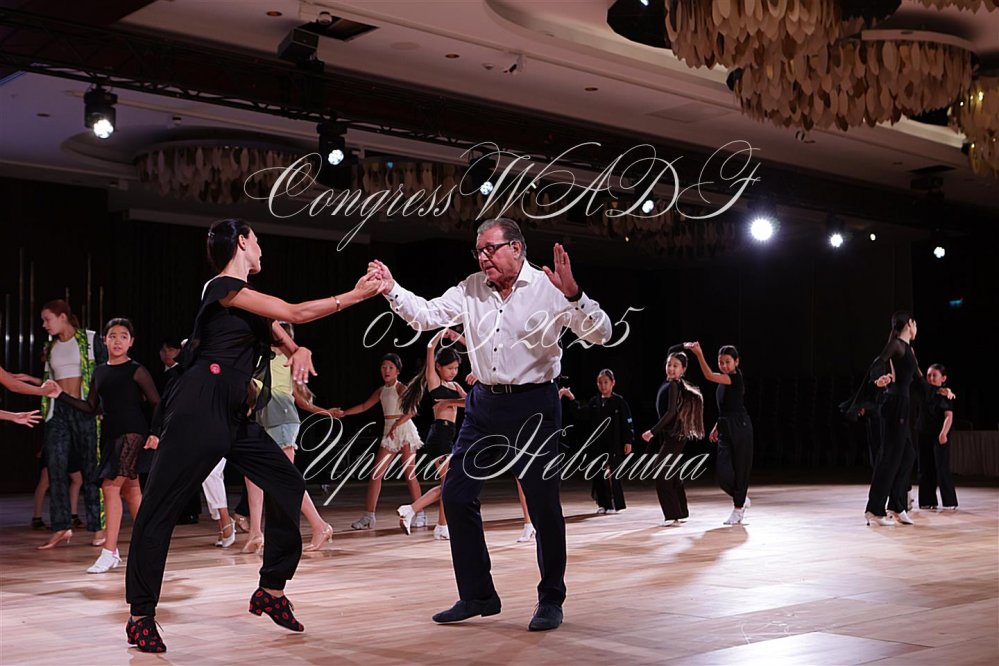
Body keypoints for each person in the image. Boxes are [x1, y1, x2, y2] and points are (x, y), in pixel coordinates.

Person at [124, 218, 382, 652]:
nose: (261, 249)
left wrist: (300, 349)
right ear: (242, 242)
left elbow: (287, 336)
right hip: (198, 406)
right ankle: (140, 617)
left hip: (233, 414)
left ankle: (271, 590)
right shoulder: (221, 286)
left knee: (288, 483)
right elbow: (295, 313)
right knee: (159, 508)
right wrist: (357, 295)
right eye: (257, 241)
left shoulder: (252, 305)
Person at [368, 217, 612, 632]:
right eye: (478, 251)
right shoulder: (471, 288)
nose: (483, 258)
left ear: (516, 248)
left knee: (542, 504)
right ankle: (477, 594)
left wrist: (575, 295)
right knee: (457, 494)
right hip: (483, 405)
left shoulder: (549, 288)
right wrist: (392, 288)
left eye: (490, 249)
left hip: (534, 404)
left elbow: (601, 334)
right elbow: (426, 314)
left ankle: (551, 598)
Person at [54, 318, 160, 573]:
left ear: (131, 342)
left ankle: (109, 551)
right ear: (104, 341)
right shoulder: (100, 371)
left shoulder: (136, 370)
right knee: (132, 491)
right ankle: (151, 547)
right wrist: (60, 395)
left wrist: (156, 433)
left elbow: (157, 403)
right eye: (112, 336)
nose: (117, 341)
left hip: (133, 433)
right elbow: (90, 407)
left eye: (123, 336)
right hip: (111, 436)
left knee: (110, 487)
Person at [15, 300, 108, 548]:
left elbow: (104, 374)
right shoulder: (51, 347)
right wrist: (30, 381)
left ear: (63, 316)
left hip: (84, 409)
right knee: (55, 468)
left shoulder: (90, 339)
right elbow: (51, 384)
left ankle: (99, 527)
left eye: (47, 319)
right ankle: (61, 526)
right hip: (58, 413)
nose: (44, 324)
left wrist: (102, 409)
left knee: (91, 469)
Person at [241, 321, 335, 554]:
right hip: (261, 417)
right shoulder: (262, 357)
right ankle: (255, 532)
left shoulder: (285, 358)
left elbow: (296, 396)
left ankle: (320, 525)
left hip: (281, 417)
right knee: (252, 474)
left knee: (285, 478)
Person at [863, 312, 953, 527]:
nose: (916, 328)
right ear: (909, 324)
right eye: (915, 324)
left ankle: (896, 505)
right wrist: (878, 379)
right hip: (894, 405)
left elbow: (920, 382)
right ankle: (874, 509)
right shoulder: (896, 345)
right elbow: (878, 363)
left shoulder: (909, 350)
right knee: (890, 457)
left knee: (908, 455)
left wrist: (940, 391)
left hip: (903, 404)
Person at [334, 354, 425, 530]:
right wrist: (345, 413)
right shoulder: (381, 391)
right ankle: (369, 516)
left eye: (390, 367)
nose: (386, 371)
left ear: (397, 371)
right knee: (376, 474)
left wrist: (397, 425)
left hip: (404, 431)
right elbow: (364, 406)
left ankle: (420, 513)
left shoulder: (401, 388)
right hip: (389, 432)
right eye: (384, 367)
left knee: (409, 474)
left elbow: (412, 411)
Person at [397, 328, 466, 540]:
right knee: (449, 484)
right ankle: (412, 510)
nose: (453, 372)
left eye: (456, 368)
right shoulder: (434, 381)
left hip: (449, 434)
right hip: (439, 435)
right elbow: (430, 348)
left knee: (448, 485)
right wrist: (442, 333)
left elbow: (470, 402)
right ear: (438, 366)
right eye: (450, 368)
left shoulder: (455, 385)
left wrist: (450, 401)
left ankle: (440, 526)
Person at [685, 341, 753, 526]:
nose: (724, 365)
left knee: (740, 469)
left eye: (727, 362)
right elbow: (727, 406)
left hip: (740, 426)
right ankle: (741, 498)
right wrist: (717, 426)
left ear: (736, 362)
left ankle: (738, 509)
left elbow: (708, 375)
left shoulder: (735, 378)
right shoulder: (723, 382)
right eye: (721, 362)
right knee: (722, 475)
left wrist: (699, 354)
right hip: (725, 425)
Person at [640, 350, 704, 526]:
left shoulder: (675, 385)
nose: (671, 368)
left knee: (661, 473)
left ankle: (672, 515)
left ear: (683, 369)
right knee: (672, 473)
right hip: (669, 434)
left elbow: (671, 413)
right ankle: (680, 512)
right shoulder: (669, 382)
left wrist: (652, 431)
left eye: (676, 366)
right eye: (669, 364)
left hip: (675, 435)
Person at [559, 369, 635, 515]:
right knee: (598, 474)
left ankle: (614, 503)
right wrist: (571, 398)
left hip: (614, 444)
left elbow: (627, 422)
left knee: (611, 473)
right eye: (600, 382)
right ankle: (603, 503)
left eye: (606, 382)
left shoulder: (619, 401)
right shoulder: (595, 402)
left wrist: (628, 441)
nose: (603, 385)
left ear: (613, 383)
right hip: (598, 445)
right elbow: (581, 413)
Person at [917, 363, 957, 511]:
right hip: (923, 432)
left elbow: (948, 416)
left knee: (942, 467)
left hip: (939, 434)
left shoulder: (945, 394)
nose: (931, 378)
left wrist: (943, 433)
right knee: (925, 467)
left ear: (943, 378)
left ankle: (949, 501)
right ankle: (927, 501)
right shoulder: (924, 391)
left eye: (934, 375)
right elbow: (917, 373)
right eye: (929, 375)